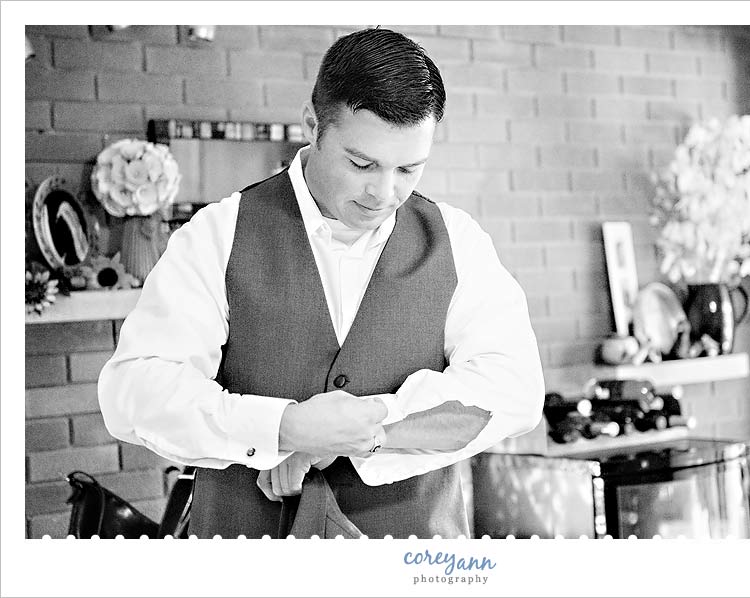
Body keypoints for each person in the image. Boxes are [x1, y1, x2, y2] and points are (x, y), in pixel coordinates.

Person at [98, 27, 544, 539]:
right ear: (312, 125)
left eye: (409, 168)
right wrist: (282, 428)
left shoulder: (458, 241)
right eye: (362, 164)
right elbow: (133, 391)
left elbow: (514, 389)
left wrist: (368, 430)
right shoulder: (218, 233)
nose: (385, 192)